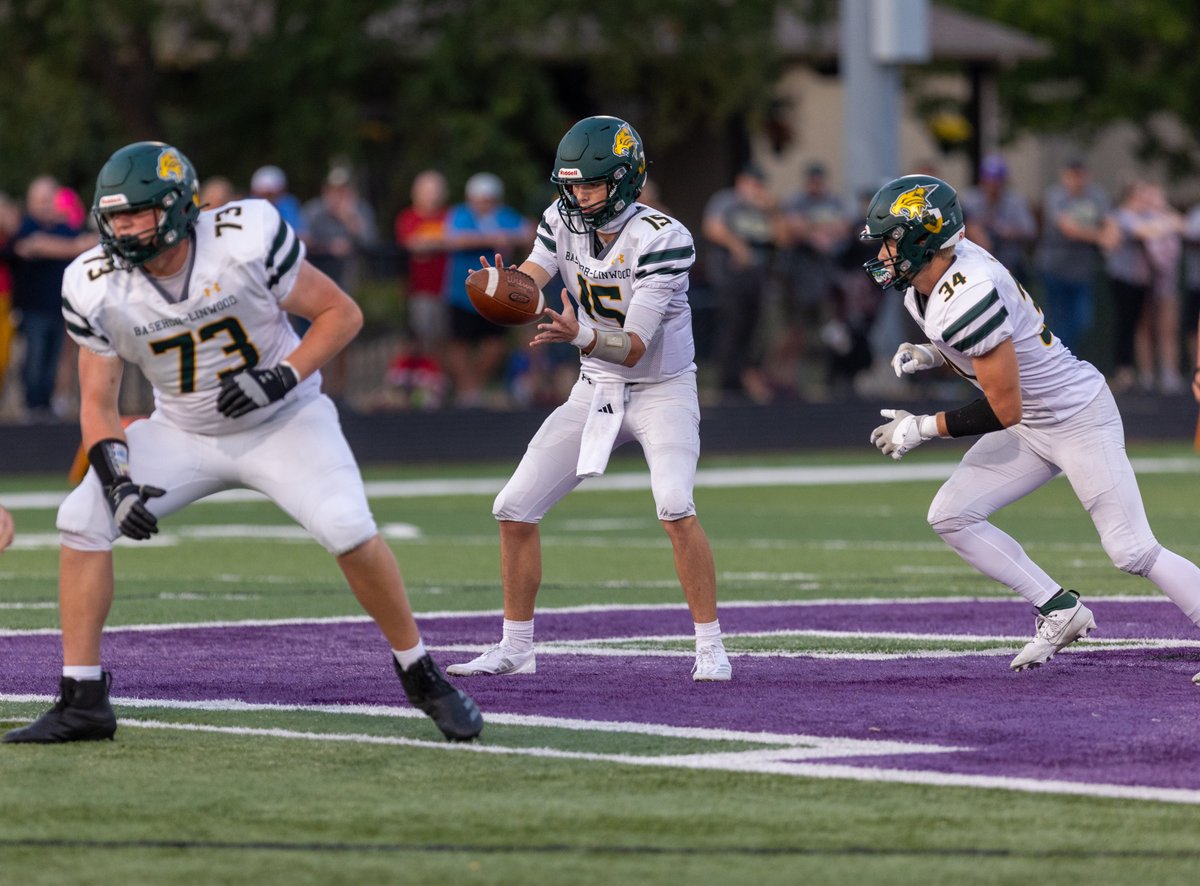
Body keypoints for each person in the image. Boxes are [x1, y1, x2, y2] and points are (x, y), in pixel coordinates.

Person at [2, 141, 482, 744]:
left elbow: (341, 314)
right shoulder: (95, 283)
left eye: (137, 214)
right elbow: (98, 403)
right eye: (114, 216)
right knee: (82, 516)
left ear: (178, 209)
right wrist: (119, 482)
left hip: (285, 420)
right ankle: (83, 698)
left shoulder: (245, 237)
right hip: (182, 430)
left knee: (346, 526)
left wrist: (279, 375)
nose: (123, 229)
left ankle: (420, 672)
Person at [861, 174, 1200, 679]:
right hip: (1033, 418)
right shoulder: (936, 276)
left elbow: (1003, 408)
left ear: (921, 237)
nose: (883, 253)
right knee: (951, 515)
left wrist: (922, 428)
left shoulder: (967, 291)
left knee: (1131, 548)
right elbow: (997, 343)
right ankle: (1058, 609)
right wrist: (933, 355)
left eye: (889, 240)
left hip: (1074, 415)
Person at [446, 116, 731, 682]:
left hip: (661, 388)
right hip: (595, 388)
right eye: (572, 185)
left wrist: (576, 334)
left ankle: (710, 646)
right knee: (513, 507)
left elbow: (635, 345)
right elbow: (533, 278)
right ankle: (516, 648)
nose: (579, 196)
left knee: (675, 504)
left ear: (626, 181)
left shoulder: (664, 238)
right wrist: (510, 291)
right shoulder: (562, 219)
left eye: (592, 185)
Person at [9, 176, 96, 420]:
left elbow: (87, 244)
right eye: (40, 200)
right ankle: (32, 405)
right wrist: (70, 246)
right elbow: (30, 246)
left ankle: (47, 407)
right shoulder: (24, 228)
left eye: (48, 199)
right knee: (34, 359)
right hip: (32, 309)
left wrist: (52, 245)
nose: (45, 205)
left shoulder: (64, 227)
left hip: (60, 309)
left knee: (55, 360)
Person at [442, 172, 532, 406]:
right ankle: (467, 390)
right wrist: (493, 238)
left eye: (488, 199)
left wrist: (505, 237)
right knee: (458, 343)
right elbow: (454, 239)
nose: (484, 203)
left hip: (497, 294)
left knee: (495, 344)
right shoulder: (461, 214)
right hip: (461, 292)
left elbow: (528, 231)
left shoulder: (504, 215)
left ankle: (474, 387)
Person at [702, 163, 787, 403]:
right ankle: (726, 382)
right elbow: (712, 227)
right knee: (732, 326)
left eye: (760, 184)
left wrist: (773, 211)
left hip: (757, 278)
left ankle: (745, 377)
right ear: (742, 182)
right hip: (730, 277)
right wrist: (736, 245)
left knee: (753, 329)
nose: (757, 189)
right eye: (753, 183)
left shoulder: (765, 209)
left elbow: (783, 238)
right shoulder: (728, 201)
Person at [1034, 158, 1118, 354]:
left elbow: (1110, 222)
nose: (1076, 180)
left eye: (1080, 175)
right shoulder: (1055, 196)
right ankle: (1060, 362)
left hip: (1082, 271)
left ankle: (1069, 359)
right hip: (1055, 268)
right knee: (1058, 323)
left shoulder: (1096, 196)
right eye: (1072, 175)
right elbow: (1068, 228)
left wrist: (1111, 235)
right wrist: (1100, 237)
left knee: (1083, 321)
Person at [960, 154, 1037, 284]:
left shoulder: (1015, 201)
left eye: (997, 182)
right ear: (982, 180)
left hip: (1009, 264)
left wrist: (1009, 232)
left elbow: (1031, 230)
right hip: (976, 265)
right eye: (989, 181)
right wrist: (976, 230)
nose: (993, 186)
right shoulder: (969, 200)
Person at [249, 164, 304, 235]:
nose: (267, 200)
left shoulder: (288, 205)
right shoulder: (248, 206)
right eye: (262, 195)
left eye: (270, 195)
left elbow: (301, 234)